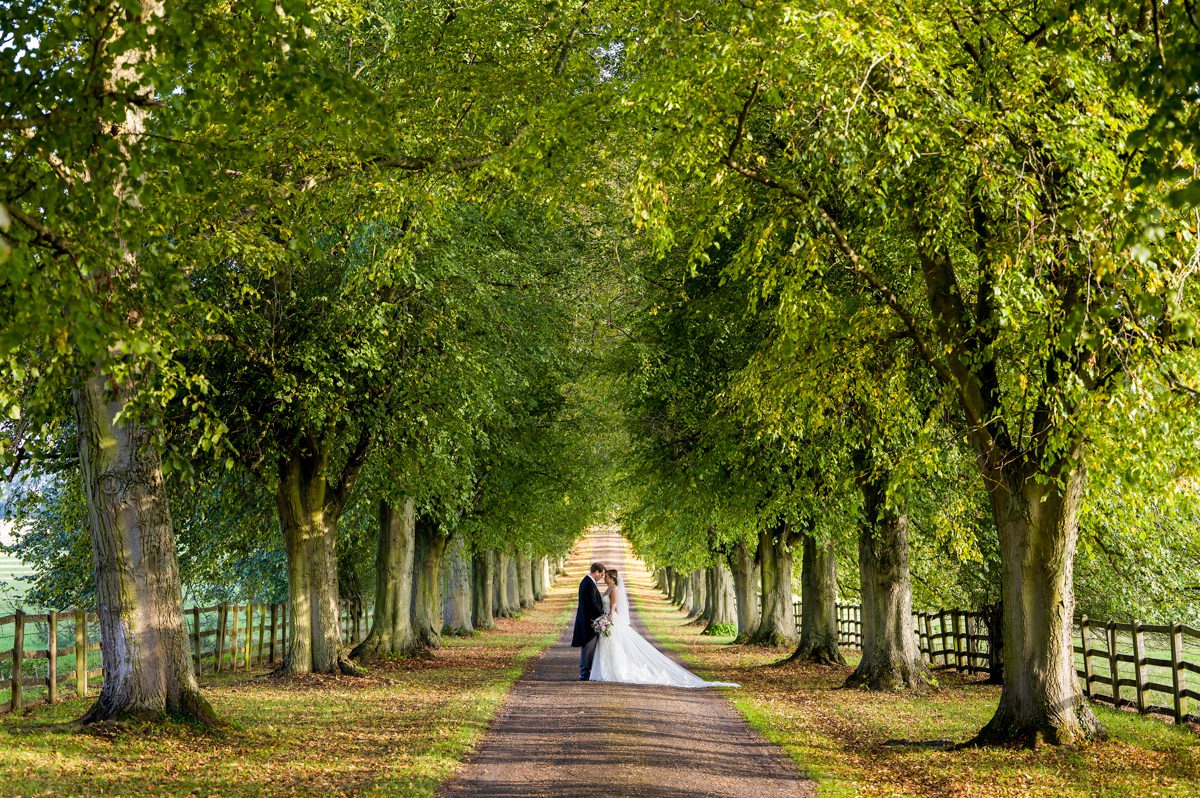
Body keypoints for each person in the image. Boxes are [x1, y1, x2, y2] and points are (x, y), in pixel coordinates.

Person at [590, 568, 738, 688]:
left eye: (607, 576)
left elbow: (614, 606)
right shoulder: (608, 588)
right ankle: (605, 671)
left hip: (612, 620)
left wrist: (608, 619)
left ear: (612, 578)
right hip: (607, 619)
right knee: (608, 645)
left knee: (615, 646)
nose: (604, 578)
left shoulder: (614, 589)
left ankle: (616, 671)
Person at [571, 561, 606, 680]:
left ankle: (586, 672)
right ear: (596, 572)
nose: (601, 578)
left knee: (589, 648)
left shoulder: (588, 582)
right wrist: (603, 614)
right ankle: (584, 673)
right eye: (601, 575)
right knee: (588, 648)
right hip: (588, 622)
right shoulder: (589, 584)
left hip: (589, 620)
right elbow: (592, 603)